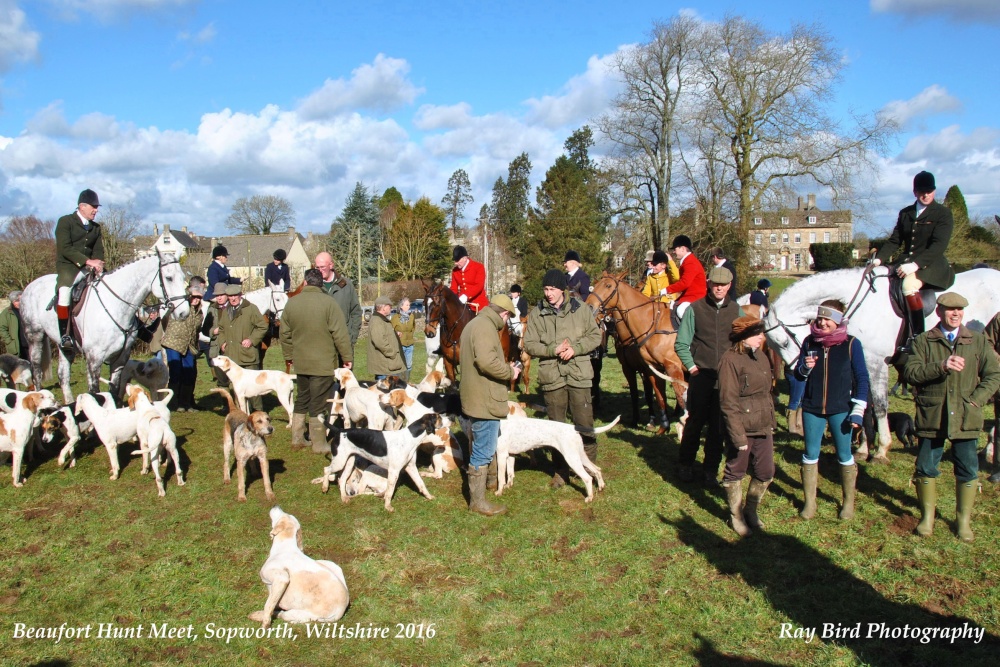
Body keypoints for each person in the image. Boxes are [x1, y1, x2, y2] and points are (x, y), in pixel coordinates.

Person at [902, 292, 1000, 541]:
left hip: (966, 416)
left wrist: (977, 400)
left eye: (959, 310)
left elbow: (994, 374)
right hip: (932, 415)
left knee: (968, 468)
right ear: (939, 311)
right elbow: (911, 373)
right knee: (926, 467)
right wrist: (942, 366)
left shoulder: (977, 341)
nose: (955, 314)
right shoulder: (924, 341)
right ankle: (927, 518)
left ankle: (963, 521)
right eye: (949, 309)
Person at [523, 269, 603, 486]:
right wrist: (552, 349)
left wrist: (575, 349)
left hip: (579, 374)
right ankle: (561, 471)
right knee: (556, 427)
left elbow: (596, 336)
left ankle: (588, 466)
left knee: (584, 423)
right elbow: (529, 344)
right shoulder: (537, 313)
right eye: (546, 289)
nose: (548, 293)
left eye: (553, 289)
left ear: (562, 289)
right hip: (552, 376)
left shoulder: (581, 309)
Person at [794, 300, 869, 521]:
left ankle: (848, 503)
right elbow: (799, 375)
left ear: (838, 321)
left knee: (844, 454)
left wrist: (858, 409)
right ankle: (810, 502)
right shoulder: (810, 342)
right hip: (812, 407)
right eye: (820, 318)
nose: (823, 323)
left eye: (828, 319)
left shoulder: (851, 344)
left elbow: (862, 378)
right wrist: (804, 368)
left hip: (841, 408)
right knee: (810, 454)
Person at [675, 266, 743, 485]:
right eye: (715, 284)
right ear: (709, 284)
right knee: (695, 423)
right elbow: (681, 343)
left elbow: (742, 344)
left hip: (726, 379)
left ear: (729, 286)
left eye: (723, 285)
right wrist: (692, 368)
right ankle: (685, 464)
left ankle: (710, 470)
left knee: (718, 427)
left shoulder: (736, 311)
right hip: (701, 376)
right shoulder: (695, 309)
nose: (719, 288)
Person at [874, 170, 955, 349]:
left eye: (929, 191)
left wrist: (915, 265)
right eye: (921, 191)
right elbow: (895, 240)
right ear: (915, 192)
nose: (925, 195)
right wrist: (878, 260)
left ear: (934, 191)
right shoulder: (906, 213)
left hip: (931, 264)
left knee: (908, 286)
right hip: (905, 261)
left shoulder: (943, 214)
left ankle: (917, 337)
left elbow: (938, 245)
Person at [280, 268, 353, 453]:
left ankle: (297, 437)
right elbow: (340, 334)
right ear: (321, 284)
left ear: (305, 282)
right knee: (319, 402)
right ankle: (319, 443)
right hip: (323, 364)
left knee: (302, 397)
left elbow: (284, 334)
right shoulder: (329, 303)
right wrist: (347, 357)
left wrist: (289, 356)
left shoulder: (291, 304)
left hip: (301, 363)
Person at [460, 294, 519, 515]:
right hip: (484, 398)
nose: (506, 321)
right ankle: (478, 502)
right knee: (483, 450)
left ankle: (487, 485)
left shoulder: (474, 324)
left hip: (475, 395)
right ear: (503, 314)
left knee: (481, 444)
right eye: (507, 317)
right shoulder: (485, 327)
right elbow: (486, 362)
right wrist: (510, 372)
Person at [718, 315, 775, 537]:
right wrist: (737, 436)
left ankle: (751, 510)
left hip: (763, 424)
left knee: (766, 471)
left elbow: (767, 393)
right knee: (735, 472)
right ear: (744, 337)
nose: (762, 336)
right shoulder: (729, 361)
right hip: (741, 426)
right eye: (757, 333)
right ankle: (736, 516)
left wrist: (770, 420)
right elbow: (728, 402)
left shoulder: (761, 357)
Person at [55, 188, 105, 350]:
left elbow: (98, 251)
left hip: (90, 267)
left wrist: (99, 265)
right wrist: (88, 261)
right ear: (82, 206)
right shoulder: (65, 221)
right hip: (69, 266)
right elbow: (65, 248)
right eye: (93, 206)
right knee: (64, 292)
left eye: (97, 207)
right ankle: (65, 335)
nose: (96, 210)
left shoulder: (96, 228)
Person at [217, 284, 268, 411]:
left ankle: (259, 413)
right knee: (237, 387)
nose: (233, 298)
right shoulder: (225, 311)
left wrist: (252, 339)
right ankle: (241, 413)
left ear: (241, 295)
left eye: (235, 295)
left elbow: (262, 326)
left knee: (254, 387)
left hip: (248, 355)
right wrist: (222, 342)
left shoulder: (251, 308)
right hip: (232, 357)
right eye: (230, 296)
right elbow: (221, 329)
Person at [160, 282, 206, 411]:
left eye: (199, 298)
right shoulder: (179, 307)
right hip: (173, 343)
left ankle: (185, 403)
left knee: (189, 372)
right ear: (188, 296)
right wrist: (167, 334)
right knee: (176, 373)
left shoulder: (199, 314)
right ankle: (173, 403)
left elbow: (196, 332)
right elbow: (164, 320)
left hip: (189, 346)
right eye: (193, 296)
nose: (196, 299)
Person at [314, 251, 362, 348]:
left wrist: (352, 337)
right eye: (317, 267)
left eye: (322, 267)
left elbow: (356, 312)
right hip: (321, 346)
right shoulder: (313, 287)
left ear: (331, 265)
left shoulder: (346, 285)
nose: (320, 270)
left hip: (344, 342)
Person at [666, 235, 707, 320]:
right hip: (689, 295)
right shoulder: (687, 261)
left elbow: (685, 283)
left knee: (681, 310)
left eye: (675, 249)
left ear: (683, 249)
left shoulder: (690, 262)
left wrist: (667, 290)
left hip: (696, 297)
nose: (674, 252)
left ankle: (693, 332)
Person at [368, 296, 406, 381]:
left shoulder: (381, 320)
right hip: (385, 367)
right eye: (389, 306)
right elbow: (379, 341)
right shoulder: (377, 321)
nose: (391, 308)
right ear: (384, 308)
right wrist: (392, 353)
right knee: (385, 392)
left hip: (388, 365)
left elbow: (383, 335)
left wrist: (394, 334)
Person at [204, 282, 231, 388]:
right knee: (221, 381)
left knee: (236, 379)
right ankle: (226, 404)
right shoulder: (212, 309)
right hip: (216, 350)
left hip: (231, 348)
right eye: (217, 295)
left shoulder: (234, 308)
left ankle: (239, 403)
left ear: (227, 295)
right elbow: (205, 329)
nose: (219, 298)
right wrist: (212, 332)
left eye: (221, 295)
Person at [450, 245, 488, 313]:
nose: (455, 263)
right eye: (455, 261)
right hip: (462, 305)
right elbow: (453, 289)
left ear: (465, 258)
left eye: (457, 260)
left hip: (478, 305)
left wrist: (466, 296)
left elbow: (479, 286)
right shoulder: (455, 271)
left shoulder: (478, 267)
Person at [390, 297, 416, 381]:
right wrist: (396, 333)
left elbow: (413, 328)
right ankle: (399, 383)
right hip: (400, 345)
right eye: (407, 305)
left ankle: (406, 382)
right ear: (401, 306)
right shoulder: (395, 318)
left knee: (408, 365)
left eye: (409, 305)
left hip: (410, 345)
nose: (409, 306)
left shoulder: (411, 316)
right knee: (400, 365)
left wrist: (410, 336)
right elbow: (390, 330)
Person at [0, 291, 28, 360]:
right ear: (12, 301)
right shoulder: (6, 313)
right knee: (17, 367)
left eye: (21, 300)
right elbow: (2, 328)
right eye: (17, 301)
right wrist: (9, 341)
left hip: (29, 344)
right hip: (16, 345)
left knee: (32, 366)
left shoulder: (27, 311)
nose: (20, 302)